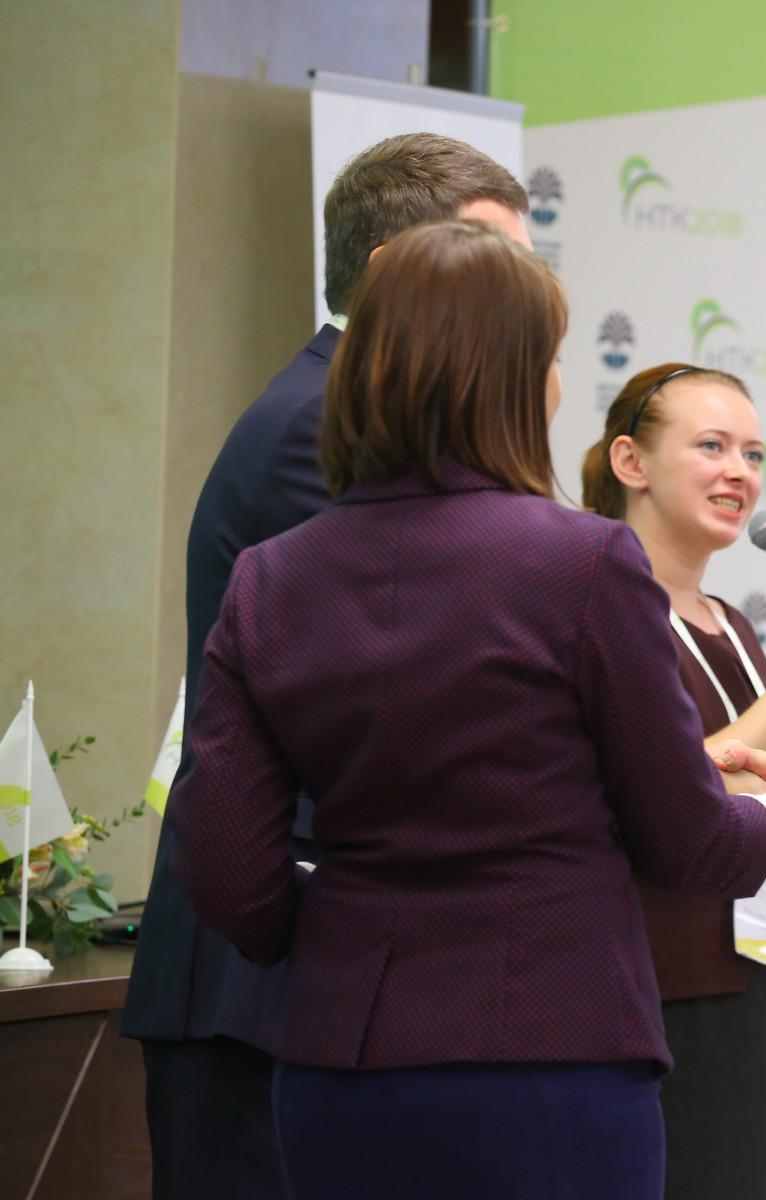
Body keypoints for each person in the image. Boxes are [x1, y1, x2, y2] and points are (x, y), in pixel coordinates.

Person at [164, 219, 766, 1200]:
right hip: (547, 1061)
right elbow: (691, 842)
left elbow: (226, 868)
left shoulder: (269, 580)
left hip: (334, 1062)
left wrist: (357, 934)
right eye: (553, 358)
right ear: (514, 378)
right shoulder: (581, 563)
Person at [122, 131, 538, 1199]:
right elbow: (410, 708)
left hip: (313, 972)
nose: (526, 299)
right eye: (492, 261)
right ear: (400, 271)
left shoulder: (348, 412)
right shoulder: (326, 426)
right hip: (262, 975)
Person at [581, 363, 766, 1199]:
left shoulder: (732, 624)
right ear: (631, 462)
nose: (739, 473)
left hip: (747, 976)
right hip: (646, 983)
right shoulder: (605, 608)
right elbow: (678, 790)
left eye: (753, 454)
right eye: (711, 447)